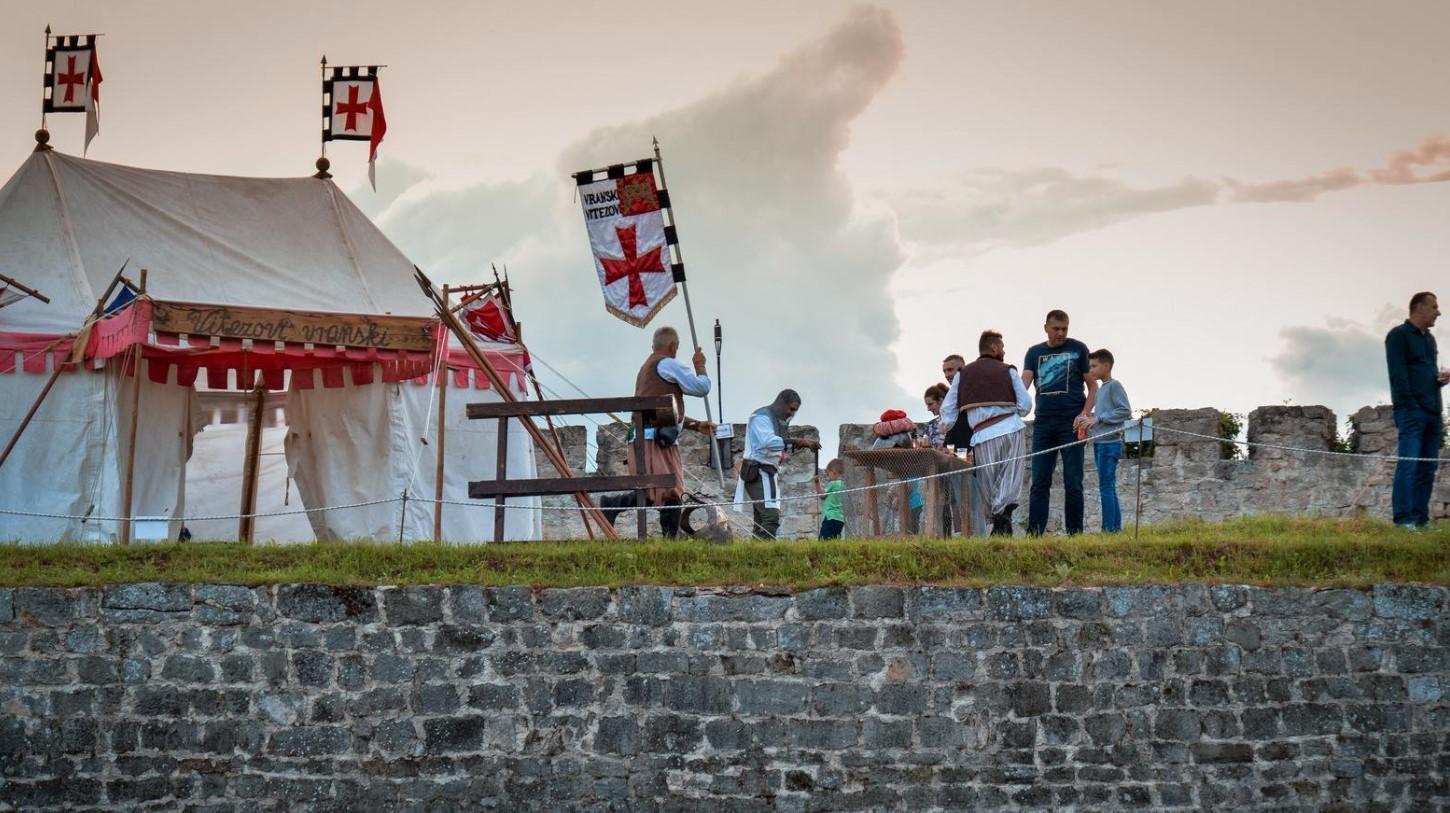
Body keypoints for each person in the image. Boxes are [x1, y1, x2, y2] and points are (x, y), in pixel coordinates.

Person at [598, 326, 713, 538]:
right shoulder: (667, 363)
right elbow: (701, 387)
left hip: (643, 436)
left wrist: (696, 425)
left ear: (654, 346)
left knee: (652, 491)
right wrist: (700, 365)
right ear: (674, 346)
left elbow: (659, 411)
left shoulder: (647, 369)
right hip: (656, 439)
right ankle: (670, 541)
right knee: (671, 490)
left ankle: (613, 504)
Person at [941, 330, 1033, 535]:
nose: (1004, 350)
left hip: (982, 435)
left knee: (988, 485)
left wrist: (944, 428)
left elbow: (947, 411)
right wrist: (1010, 411)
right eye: (1002, 346)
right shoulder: (1008, 370)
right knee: (1010, 478)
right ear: (993, 348)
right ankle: (1003, 522)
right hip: (1011, 429)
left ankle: (1000, 525)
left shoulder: (963, 375)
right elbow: (1026, 405)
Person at [1022, 309, 1096, 536]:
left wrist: (1085, 413)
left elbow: (1093, 385)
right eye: (1056, 329)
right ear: (1046, 328)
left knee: (1073, 482)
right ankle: (1034, 535)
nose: (1061, 333)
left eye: (1065, 329)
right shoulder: (1034, 353)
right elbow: (1022, 386)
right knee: (1039, 482)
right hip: (1043, 423)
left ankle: (1075, 534)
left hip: (1071, 423)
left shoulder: (1078, 348)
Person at [1386, 291, 1448, 530]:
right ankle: (1404, 520)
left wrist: (1440, 379)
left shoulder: (1429, 340)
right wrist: (1410, 406)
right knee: (1409, 464)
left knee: (1428, 467)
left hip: (1433, 411)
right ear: (1419, 308)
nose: (1438, 312)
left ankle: (1421, 520)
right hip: (1412, 412)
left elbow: (1424, 373)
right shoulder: (1398, 336)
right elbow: (1398, 376)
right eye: (1434, 307)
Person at [734, 389, 819, 539]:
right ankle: (764, 555)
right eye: (791, 409)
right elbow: (768, 442)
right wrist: (800, 442)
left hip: (768, 474)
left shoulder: (778, 421)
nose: (792, 414)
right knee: (770, 518)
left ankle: (756, 556)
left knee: (761, 520)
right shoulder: (760, 417)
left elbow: (779, 446)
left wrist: (792, 446)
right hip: (758, 472)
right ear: (781, 403)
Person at [1082, 349, 1132, 533]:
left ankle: (1108, 529)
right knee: (1108, 485)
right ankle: (1114, 528)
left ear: (1106, 366)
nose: (1091, 370)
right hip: (1100, 443)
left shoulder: (1114, 386)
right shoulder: (1102, 389)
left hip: (1109, 444)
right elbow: (1101, 417)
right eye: (1090, 367)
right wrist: (1088, 423)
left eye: (1094, 366)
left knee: (1105, 486)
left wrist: (1098, 418)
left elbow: (1125, 411)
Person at [818, 459, 846, 539]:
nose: (828, 477)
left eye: (828, 474)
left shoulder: (833, 484)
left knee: (823, 542)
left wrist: (817, 483)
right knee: (834, 541)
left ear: (833, 472)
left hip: (830, 517)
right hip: (840, 519)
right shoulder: (843, 485)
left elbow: (822, 496)